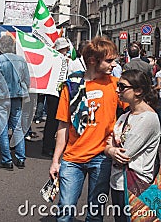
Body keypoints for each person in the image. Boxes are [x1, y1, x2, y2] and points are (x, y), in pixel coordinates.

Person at [49, 36, 128, 221]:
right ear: (93, 60)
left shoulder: (116, 85)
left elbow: (137, 109)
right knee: (65, 211)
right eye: (109, 60)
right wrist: (55, 160)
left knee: (95, 214)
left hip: (102, 158)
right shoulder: (72, 86)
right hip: (72, 158)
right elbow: (63, 125)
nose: (114, 64)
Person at [105, 69, 160, 222]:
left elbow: (124, 154)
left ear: (138, 91)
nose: (117, 90)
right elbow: (109, 145)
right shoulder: (124, 116)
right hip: (118, 182)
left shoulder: (148, 119)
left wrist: (110, 148)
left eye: (122, 87)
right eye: (118, 85)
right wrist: (110, 149)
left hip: (137, 185)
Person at [0, 35, 30, 170]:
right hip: (17, 96)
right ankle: (21, 158)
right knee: (17, 127)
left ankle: (7, 160)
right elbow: (26, 81)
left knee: (2, 128)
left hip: (1, 97)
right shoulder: (21, 60)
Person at [42, 37, 70, 157]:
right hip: (55, 93)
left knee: (55, 120)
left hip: (55, 92)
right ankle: (48, 146)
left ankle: (50, 144)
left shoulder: (56, 58)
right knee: (53, 120)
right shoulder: (58, 59)